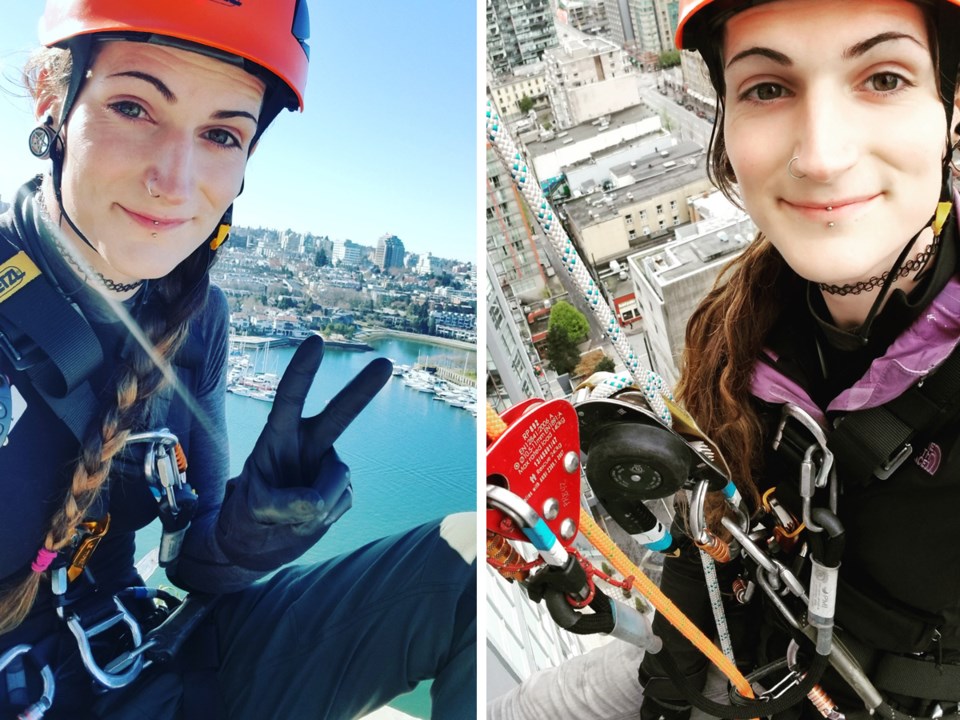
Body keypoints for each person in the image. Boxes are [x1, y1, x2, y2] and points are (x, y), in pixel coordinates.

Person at [0, 1, 477, 718]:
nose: (175, 178)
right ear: (52, 102)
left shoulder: (199, 318)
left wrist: (254, 531)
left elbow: (194, 564)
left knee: (467, 565)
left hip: (150, 658)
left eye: (222, 133)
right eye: (133, 106)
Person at [490, 0, 960, 718]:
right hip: (741, 646)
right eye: (767, 88)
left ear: (953, 107)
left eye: (885, 78)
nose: (822, 155)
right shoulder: (742, 330)